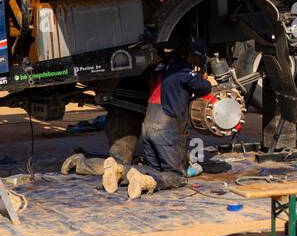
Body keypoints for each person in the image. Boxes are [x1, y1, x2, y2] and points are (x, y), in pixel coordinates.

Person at [61, 40, 212, 198]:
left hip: (147, 124)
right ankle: (141, 181)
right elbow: (205, 87)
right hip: (165, 127)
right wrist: (201, 73)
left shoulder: (159, 67)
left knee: (150, 167)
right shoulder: (182, 70)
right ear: (192, 56)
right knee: (176, 177)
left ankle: (113, 169)